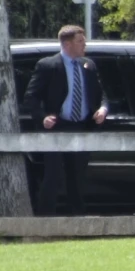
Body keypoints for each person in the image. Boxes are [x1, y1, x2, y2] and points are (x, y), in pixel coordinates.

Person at [23, 25, 109, 216]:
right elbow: (31, 97)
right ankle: (45, 222)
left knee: (77, 178)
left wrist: (103, 109)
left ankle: (77, 221)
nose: (84, 44)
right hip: (57, 127)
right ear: (67, 43)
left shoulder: (89, 65)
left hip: (82, 127)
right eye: (80, 41)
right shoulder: (48, 65)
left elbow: (101, 94)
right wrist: (42, 117)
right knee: (53, 176)